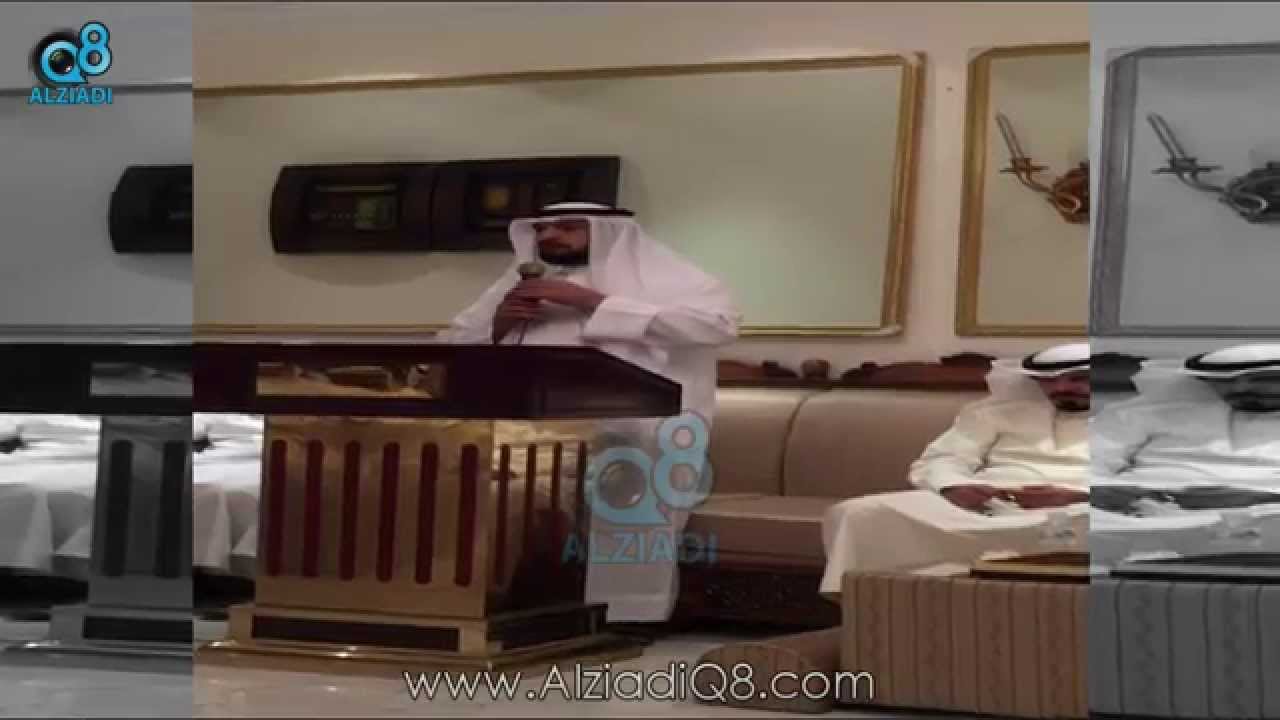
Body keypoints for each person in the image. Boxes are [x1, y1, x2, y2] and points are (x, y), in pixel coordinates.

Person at [442, 201, 740, 622]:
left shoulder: (669, 277)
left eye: (567, 227)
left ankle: (622, 617)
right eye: (541, 229)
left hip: (635, 428)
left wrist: (592, 302)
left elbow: (717, 326)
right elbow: (452, 345)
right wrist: (499, 325)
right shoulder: (518, 283)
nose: (549, 236)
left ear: (607, 232)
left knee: (629, 482)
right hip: (526, 432)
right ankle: (479, 605)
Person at [819, 344, 1091, 593]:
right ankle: (873, 606)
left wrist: (1077, 496)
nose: (1061, 388)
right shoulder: (994, 412)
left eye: (1077, 379)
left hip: (1081, 508)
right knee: (859, 513)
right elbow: (944, 458)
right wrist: (954, 486)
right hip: (991, 506)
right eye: (1048, 380)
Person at [1090, 344, 1280, 562]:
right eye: (1223, 381)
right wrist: (1115, 494)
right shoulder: (1146, 413)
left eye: (1260, 380)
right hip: (1145, 510)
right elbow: (1092, 462)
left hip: (1267, 510)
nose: (1240, 388)